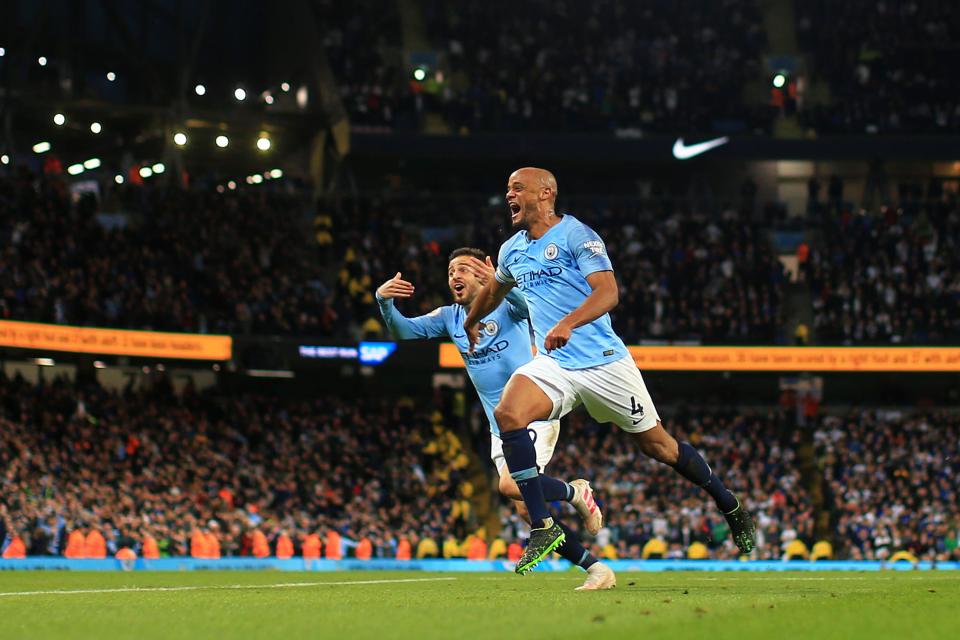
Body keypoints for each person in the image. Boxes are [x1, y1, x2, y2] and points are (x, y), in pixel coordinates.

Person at [464, 167, 756, 574]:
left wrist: (568, 322)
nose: (508, 194)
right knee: (508, 413)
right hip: (556, 363)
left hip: (604, 363)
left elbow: (608, 291)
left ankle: (731, 505)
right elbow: (494, 292)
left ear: (545, 193)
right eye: (507, 188)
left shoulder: (577, 235)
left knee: (660, 447)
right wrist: (469, 320)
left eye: (517, 187)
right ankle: (542, 526)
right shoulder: (512, 250)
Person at [376, 247, 615, 590]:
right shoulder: (450, 317)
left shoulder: (506, 305)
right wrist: (383, 302)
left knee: (509, 485)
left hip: (532, 411)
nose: (454, 277)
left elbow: (528, 308)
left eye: (462, 270)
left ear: (480, 275)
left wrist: (502, 284)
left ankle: (575, 492)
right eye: (449, 272)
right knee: (526, 511)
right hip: (499, 427)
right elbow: (404, 332)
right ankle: (596, 569)